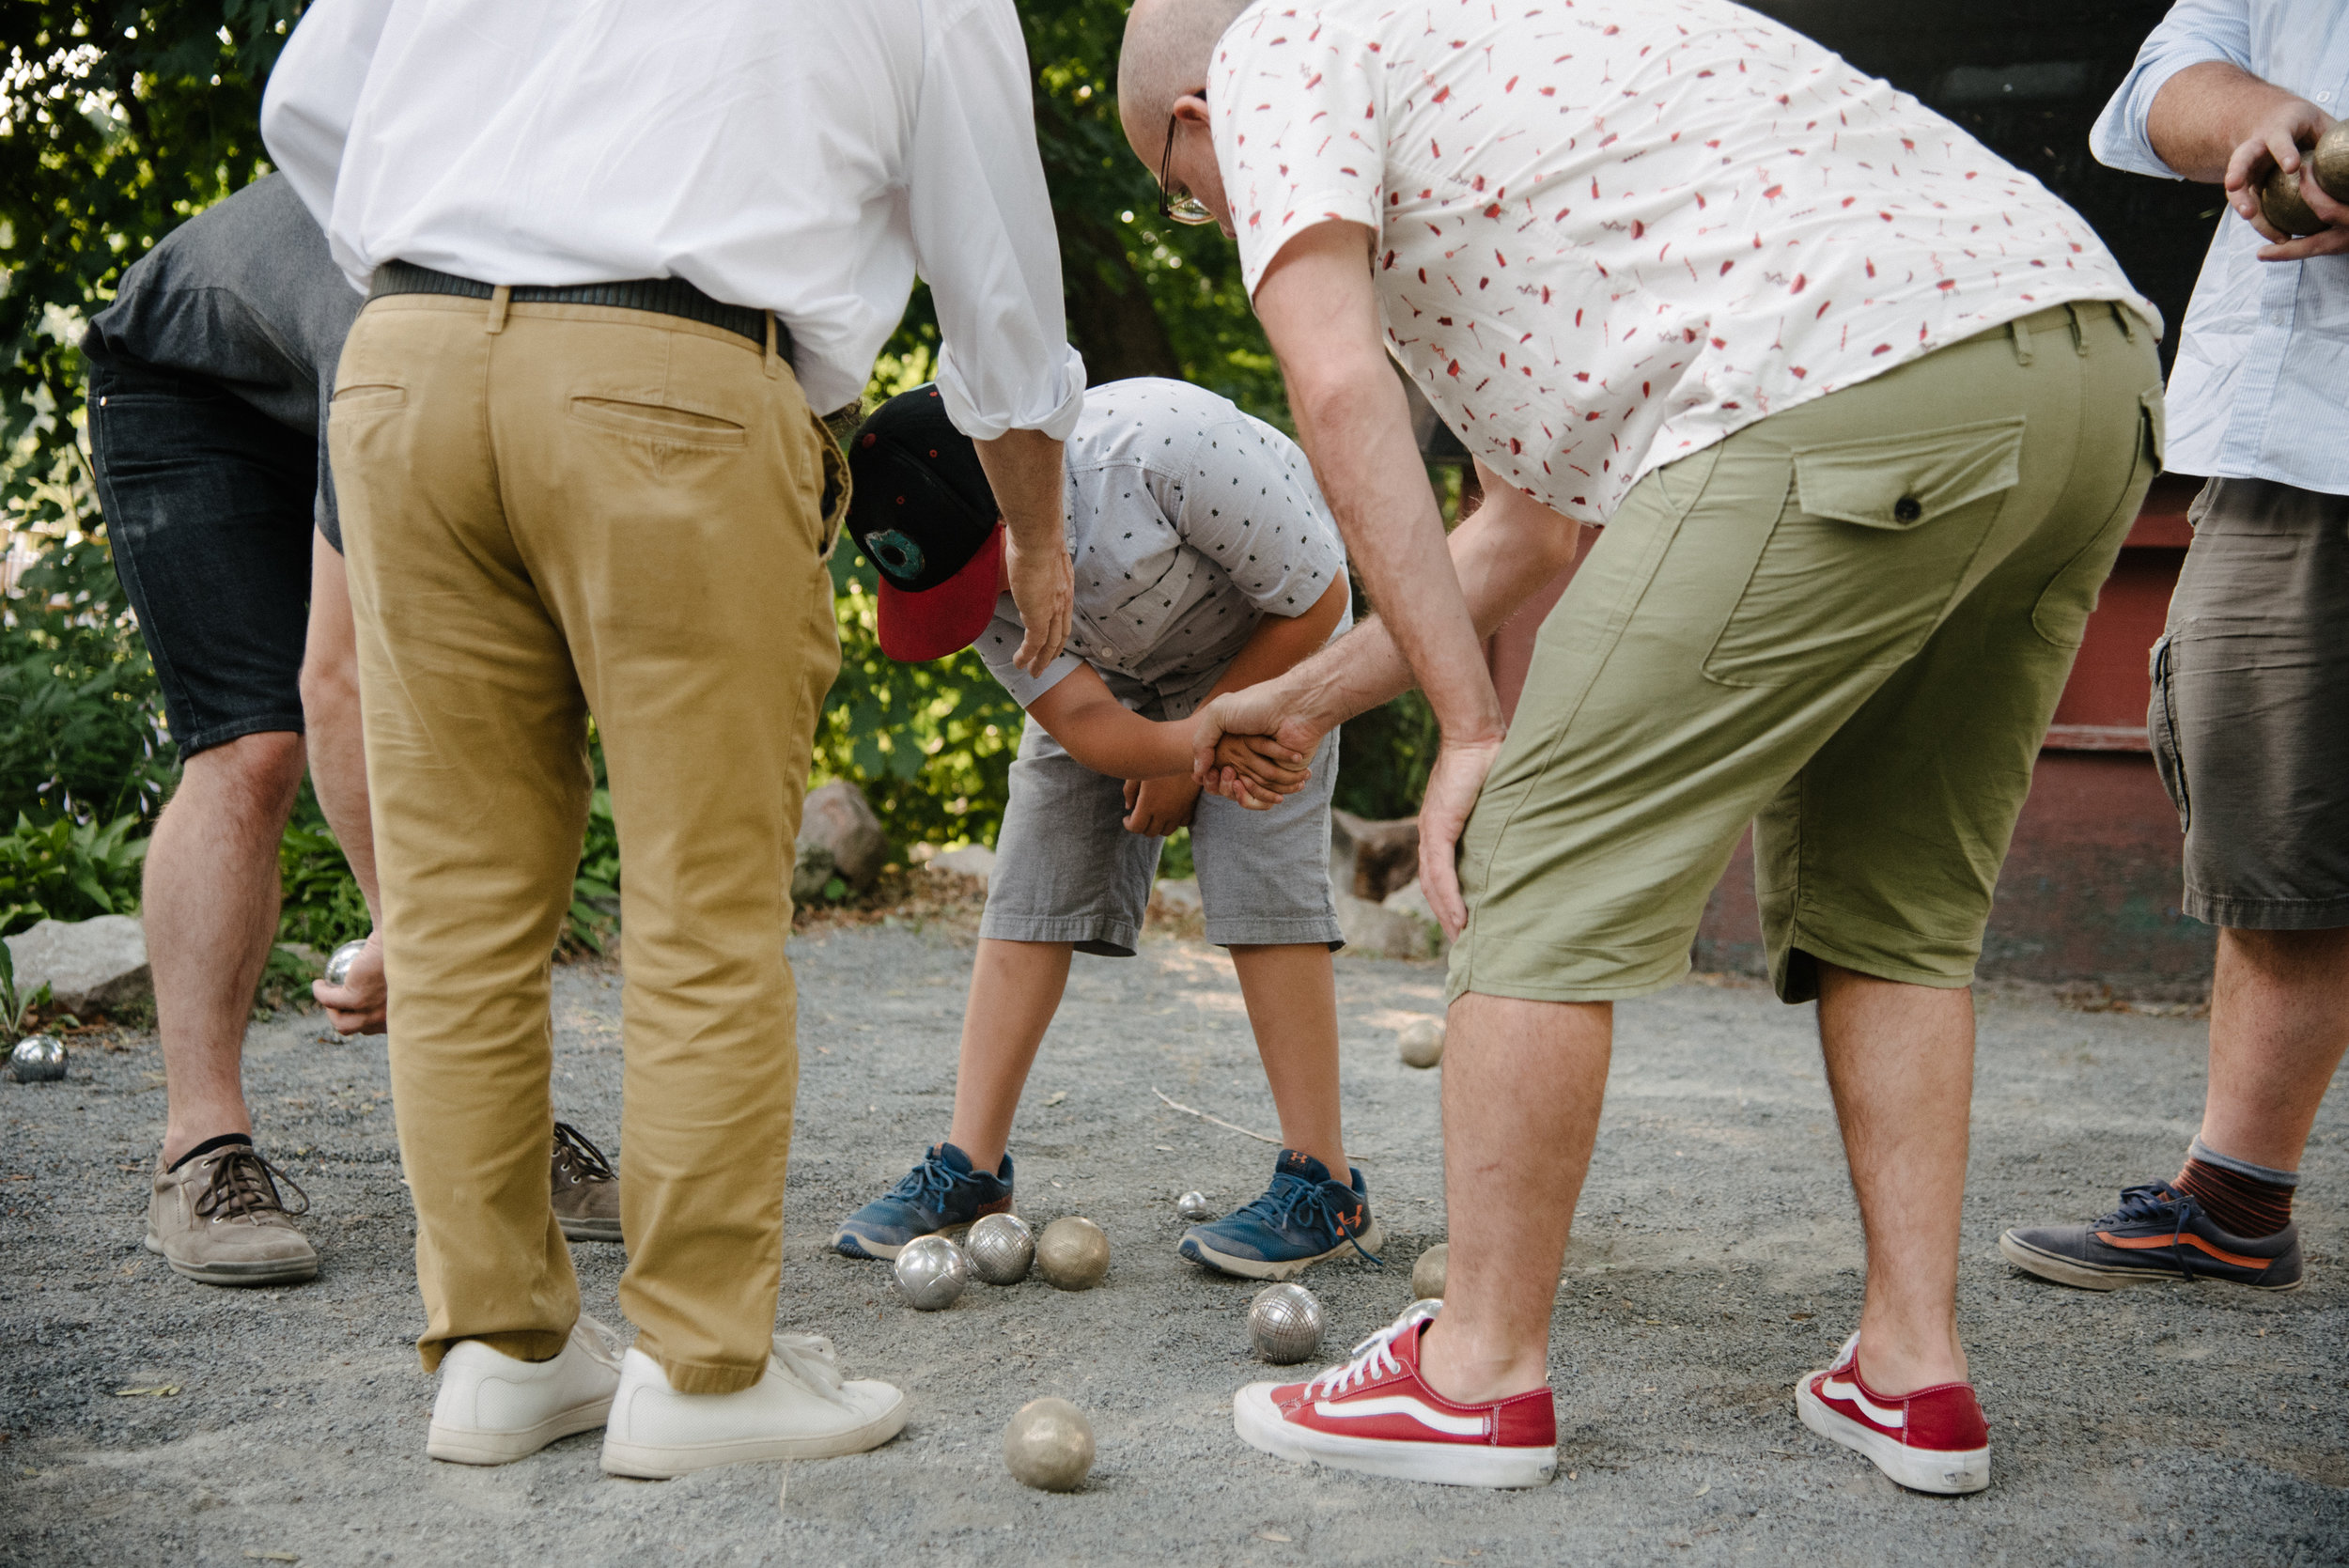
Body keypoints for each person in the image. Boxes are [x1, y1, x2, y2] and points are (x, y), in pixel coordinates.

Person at [1121, 0, 2164, 1494]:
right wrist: (1297, 701)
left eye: (1186, 196)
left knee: (1532, 853)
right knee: (1896, 895)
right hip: (2084, 362)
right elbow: (1524, 530)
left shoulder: (1281, 44)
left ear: (1191, 126)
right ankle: (1911, 1373)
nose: (1217, 215)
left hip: (1836, 373)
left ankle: (1471, 1375)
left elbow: (1337, 389)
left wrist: (1480, 730)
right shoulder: (1515, 98)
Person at [262, 0, 1086, 1478]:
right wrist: (1037, 528)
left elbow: (307, 108)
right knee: (702, 908)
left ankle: (502, 1358)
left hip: (403, 362)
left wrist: (458, 276)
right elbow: (1001, 283)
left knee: (453, 918)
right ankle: (704, 1371)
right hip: (676, 381)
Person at [82, 176, 626, 1290]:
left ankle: (501, 1118)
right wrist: (409, 932)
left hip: (338, 378)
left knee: (483, 702)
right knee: (254, 741)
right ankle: (202, 1150)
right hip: (191, 390)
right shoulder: (416, 328)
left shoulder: (592, 323)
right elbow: (339, 685)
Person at [831, 380, 1373, 1280]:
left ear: (1015, 509)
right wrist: (1168, 753)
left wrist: (1199, 751)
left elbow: (1316, 601)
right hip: (1114, 675)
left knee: (1257, 866)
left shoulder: (1165, 449)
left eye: (976, 584)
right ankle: (971, 1168)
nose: (980, 615)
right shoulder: (970, 562)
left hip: (1270, 643)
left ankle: (1326, 1186)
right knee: (1032, 872)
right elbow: (1080, 720)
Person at [1999, 2, 2348, 1294]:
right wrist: (2262, 121)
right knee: (2272, 802)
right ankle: (2239, 1195)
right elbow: (2159, 83)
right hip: (2309, 430)